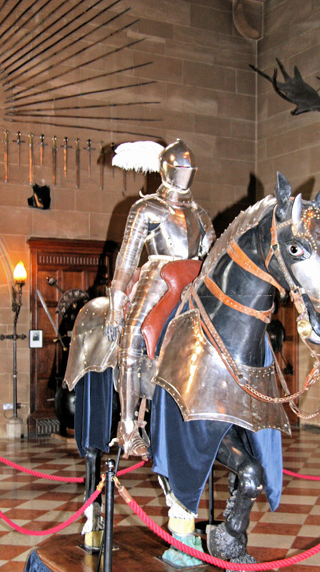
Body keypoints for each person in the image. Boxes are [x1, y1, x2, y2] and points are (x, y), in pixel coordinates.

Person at [104, 139, 216, 458]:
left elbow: (211, 254)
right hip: (157, 277)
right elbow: (127, 258)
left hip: (193, 278)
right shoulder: (148, 208)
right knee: (133, 337)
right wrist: (116, 303)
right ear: (166, 169)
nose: (184, 173)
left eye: (188, 168)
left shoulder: (201, 215)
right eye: (179, 167)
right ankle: (127, 426)